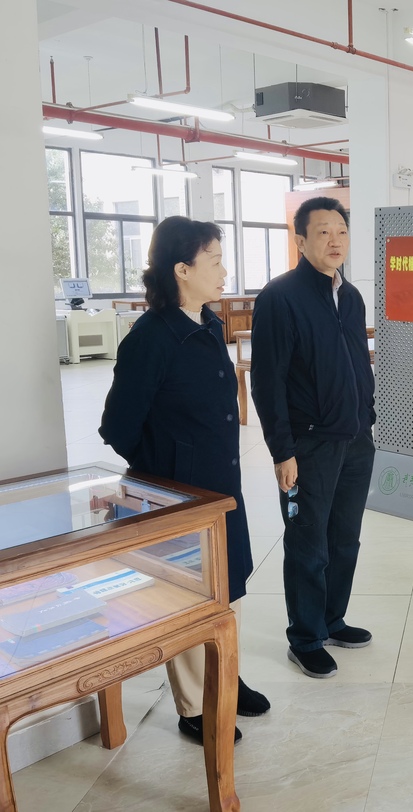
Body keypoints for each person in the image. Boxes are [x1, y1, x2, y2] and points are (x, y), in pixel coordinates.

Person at [99, 216, 269, 742]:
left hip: (220, 487)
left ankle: (226, 676)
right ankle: (195, 705)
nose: (224, 272)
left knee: (226, 586)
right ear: (182, 269)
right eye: (214, 261)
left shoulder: (208, 324)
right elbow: (118, 427)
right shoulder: (152, 337)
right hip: (179, 496)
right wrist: (166, 469)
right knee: (189, 594)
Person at [250, 197, 376, 679]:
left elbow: (356, 363)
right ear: (300, 241)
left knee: (345, 539)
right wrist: (282, 451)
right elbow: (268, 381)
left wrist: (366, 416)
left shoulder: (351, 296)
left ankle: (332, 619)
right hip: (308, 444)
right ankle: (305, 637)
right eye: (323, 232)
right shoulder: (280, 297)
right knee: (308, 542)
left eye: (341, 230)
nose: (334, 240)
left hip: (355, 438)